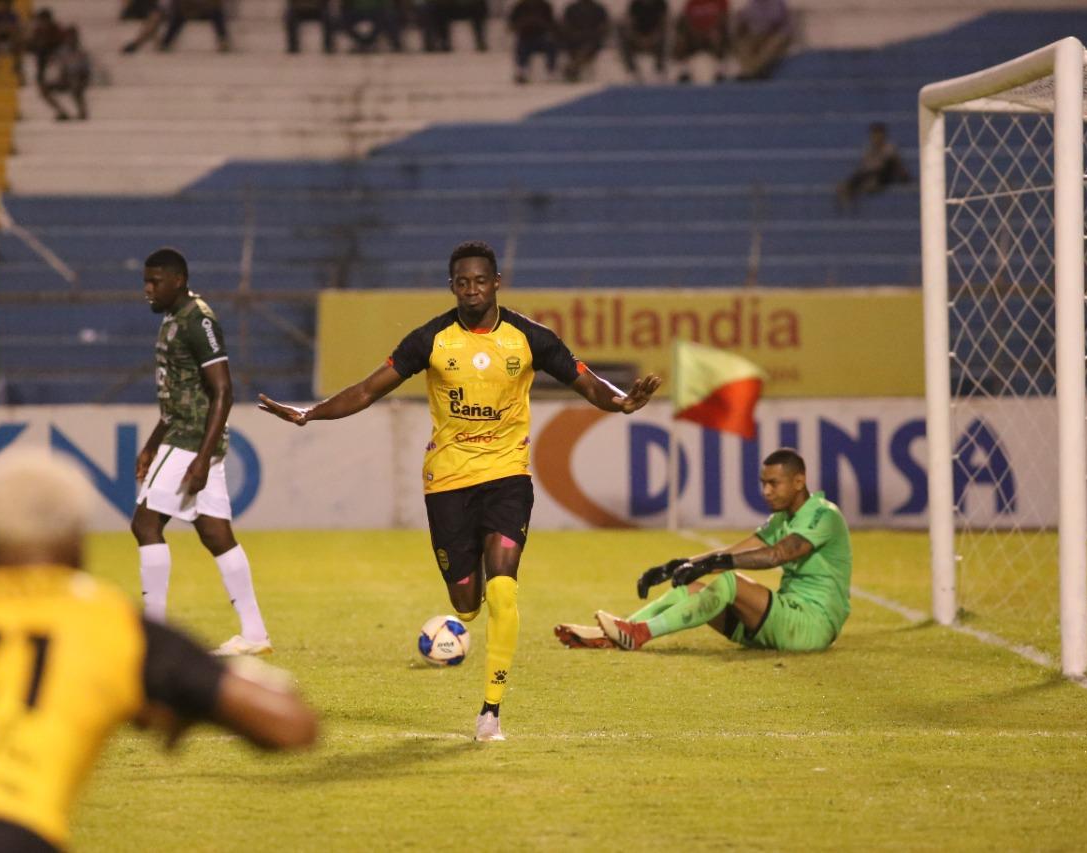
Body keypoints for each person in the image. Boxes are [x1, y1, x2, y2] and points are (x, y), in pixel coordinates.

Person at [257, 241, 661, 742]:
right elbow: (367, 389)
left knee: (504, 587)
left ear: (496, 283)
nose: (472, 290)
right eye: (463, 282)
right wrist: (310, 413)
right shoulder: (430, 340)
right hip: (448, 482)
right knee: (467, 601)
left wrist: (621, 402)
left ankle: (491, 712)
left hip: (508, 476)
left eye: (480, 281)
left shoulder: (530, 338)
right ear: (452, 286)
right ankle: (470, 600)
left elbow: (586, 382)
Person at [0, 448, 318, 853]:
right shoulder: (110, 625)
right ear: (76, 542)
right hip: (6, 834)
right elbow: (292, 726)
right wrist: (189, 697)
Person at [554, 448, 852, 654]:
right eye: (763, 484)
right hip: (782, 621)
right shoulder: (782, 519)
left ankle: (639, 634)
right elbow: (737, 551)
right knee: (690, 588)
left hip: (812, 625)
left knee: (731, 582)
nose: (766, 491)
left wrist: (716, 563)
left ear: (799, 481)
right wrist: (675, 567)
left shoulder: (823, 514)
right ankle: (619, 632)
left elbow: (777, 555)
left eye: (774, 484)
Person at [132, 247, 273, 657]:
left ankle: (154, 637)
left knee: (145, 524)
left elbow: (223, 390)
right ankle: (255, 634)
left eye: (155, 281)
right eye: (146, 281)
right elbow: (180, 395)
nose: (148, 289)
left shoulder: (199, 320)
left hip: (191, 439)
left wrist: (201, 456)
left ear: (178, 280)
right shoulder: (174, 318)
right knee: (215, 534)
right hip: (183, 435)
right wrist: (152, 443)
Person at [837, 122, 911, 210]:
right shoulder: (869, 148)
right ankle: (848, 190)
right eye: (874, 136)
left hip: (884, 174)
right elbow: (864, 166)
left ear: (884, 136)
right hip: (869, 174)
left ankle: (863, 187)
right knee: (857, 177)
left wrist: (904, 176)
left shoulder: (889, 148)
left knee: (883, 168)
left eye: (879, 135)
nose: (876, 138)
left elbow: (897, 165)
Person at [38, 26, 91, 121]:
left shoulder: (82, 53)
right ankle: (61, 112)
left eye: (73, 37)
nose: (71, 39)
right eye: (69, 37)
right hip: (65, 80)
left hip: (78, 80)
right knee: (44, 88)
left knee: (75, 83)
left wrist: (80, 78)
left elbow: (86, 72)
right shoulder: (61, 52)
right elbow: (55, 66)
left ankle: (82, 111)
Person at [730, 0, 790, 80]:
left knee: (770, 46)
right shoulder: (753, 4)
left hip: (775, 34)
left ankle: (752, 71)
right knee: (742, 45)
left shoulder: (776, 3)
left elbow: (776, 22)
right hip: (756, 34)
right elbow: (744, 18)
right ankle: (752, 71)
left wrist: (764, 34)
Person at [672, 0, 727, 83]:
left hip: (713, 34)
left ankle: (720, 69)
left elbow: (724, 18)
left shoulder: (720, 2)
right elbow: (686, 21)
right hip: (694, 36)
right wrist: (695, 33)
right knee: (682, 41)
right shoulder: (691, 3)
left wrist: (711, 31)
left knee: (717, 37)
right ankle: (684, 71)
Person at [507, 0, 557, 84]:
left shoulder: (545, 6)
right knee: (521, 47)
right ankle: (522, 71)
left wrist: (542, 24)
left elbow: (552, 22)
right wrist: (523, 25)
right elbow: (512, 22)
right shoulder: (520, 6)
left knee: (551, 46)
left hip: (542, 37)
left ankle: (551, 71)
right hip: (525, 37)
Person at [559, 0, 609, 83]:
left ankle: (573, 66)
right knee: (578, 46)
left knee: (589, 45)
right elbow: (565, 24)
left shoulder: (598, 8)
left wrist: (594, 33)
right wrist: (573, 33)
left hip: (592, 38)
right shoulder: (572, 8)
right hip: (574, 38)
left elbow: (604, 25)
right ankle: (574, 66)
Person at [618, 0, 668, 81]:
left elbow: (665, 25)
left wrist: (652, 39)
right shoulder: (635, 4)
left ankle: (659, 69)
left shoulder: (661, 4)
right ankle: (632, 71)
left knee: (666, 37)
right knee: (621, 34)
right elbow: (629, 25)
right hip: (637, 41)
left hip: (655, 41)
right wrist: (638, 39)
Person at [160, 0, 231, 52]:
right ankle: (165, 43)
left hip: (207, 10)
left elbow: (217, 3)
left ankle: (223, 41)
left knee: (217, 13)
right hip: (187, 10)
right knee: (178, 15)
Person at [25, 7, 65, 86]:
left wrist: (48, 43)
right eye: (41, 20)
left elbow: (60, 41)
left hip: (52, 49)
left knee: (43, 53)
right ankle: (40, 77)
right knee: (40, 53)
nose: (43, 22)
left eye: (44, 19)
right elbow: (32, 41)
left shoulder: (55, 28)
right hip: (41, 51)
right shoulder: (38, 29)